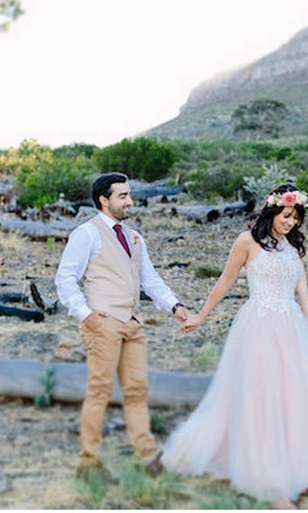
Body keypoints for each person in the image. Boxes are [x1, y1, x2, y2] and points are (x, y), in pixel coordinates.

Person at [162, 184, 308, 509]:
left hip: (292, 330)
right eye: (286, 216)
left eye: (296, 218)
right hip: (259, 327)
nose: (290, 223)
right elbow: (224, 282)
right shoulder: (248, 242)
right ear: (273, 210)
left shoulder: (292, 248)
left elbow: (303, 294)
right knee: (263, 399)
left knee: (294, 399)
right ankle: (271, 484)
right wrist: (201, 316)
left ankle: (297, 470)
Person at [55, 172, 191, 484]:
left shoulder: (133, 237)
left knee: (137, 390)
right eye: (123, 196)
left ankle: (147, 457)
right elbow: (65, 278)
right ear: (104, 200)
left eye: (129, 195)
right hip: (103, 323)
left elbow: (150, 279)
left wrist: (176, 306)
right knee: (100, 391)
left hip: (133, 322)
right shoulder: (86, 234)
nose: (130, 201)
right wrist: (84, 313)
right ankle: (88, 463)